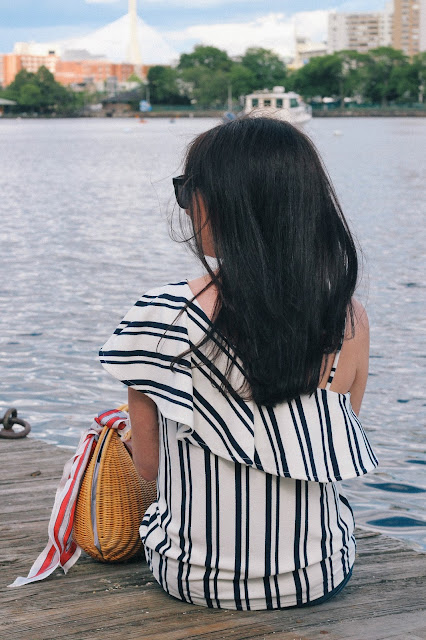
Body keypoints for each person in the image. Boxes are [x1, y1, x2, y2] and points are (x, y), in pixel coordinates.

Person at [99, 116, 378, 611]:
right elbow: (330, 443)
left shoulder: (161, 315)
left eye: (187, 189)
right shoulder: (348, 319)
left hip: (191, 575)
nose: (185, 204)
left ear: (220, 201)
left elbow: (148, 467)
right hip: (316, 573)